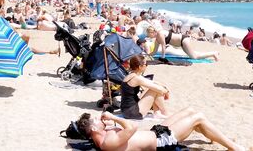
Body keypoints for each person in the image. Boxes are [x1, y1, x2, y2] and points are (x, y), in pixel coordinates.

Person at [76, 108, 245, 151]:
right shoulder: (107, 142)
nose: (100, 120)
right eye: (96, 120)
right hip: (162, 141)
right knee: (198, 117)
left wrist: (110, 124)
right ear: (93, 128)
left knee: (190, 111)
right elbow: (132, 127)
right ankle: (235, 148)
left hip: (155, 132)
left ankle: (217, 137)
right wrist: (113, 118)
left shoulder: (104, 135)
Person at [120, 55, 170, 119]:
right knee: (155, 89)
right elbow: (160, 90)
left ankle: (157, 113)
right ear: (140, 66)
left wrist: (164, 87)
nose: (146, 66)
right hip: (132, 112)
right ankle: (164, 112)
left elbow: (153, 82)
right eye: (146, 64)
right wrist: (166, 92)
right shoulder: (136, 78)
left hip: (126, 110)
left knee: (153, 88)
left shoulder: (132, 75)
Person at [146, 26, 219, 61]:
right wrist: (146, 55)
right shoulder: (157, 39)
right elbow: (154, 52)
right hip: (181, 43)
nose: (148, 36)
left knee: (194, 57)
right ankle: (213, 53)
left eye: (149, 34)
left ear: (152, 32)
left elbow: (163, 46)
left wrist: (163, 57)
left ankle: (213, 53)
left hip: (183, 40)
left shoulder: (160, 33)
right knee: (193, 55)